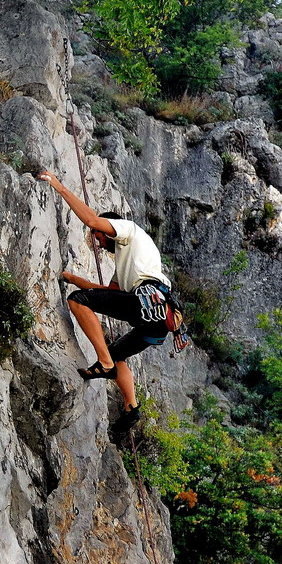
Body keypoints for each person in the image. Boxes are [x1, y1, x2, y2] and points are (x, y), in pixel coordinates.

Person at [37, 169, 172, 434]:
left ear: (110, 230)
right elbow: (105, 293)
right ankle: (131, 407)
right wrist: (72, 277)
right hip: (159, 318)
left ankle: (104, 363)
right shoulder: (131, 263)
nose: (98, 243)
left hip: (146, 299)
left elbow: (92, 220)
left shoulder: (128, 230)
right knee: (116, 352)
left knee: (78, 302)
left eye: (99, 237)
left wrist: (58, 186)